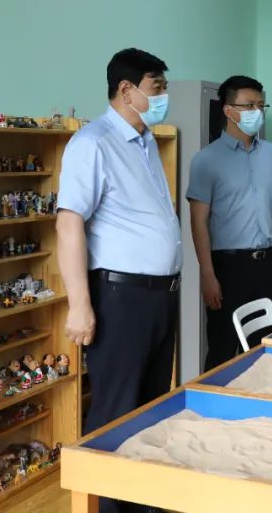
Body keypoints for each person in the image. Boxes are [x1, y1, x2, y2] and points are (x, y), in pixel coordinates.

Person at [57, 49, 181, 513]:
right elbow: (69, 223)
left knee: (150, 408)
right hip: (120, 296)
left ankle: (140, 501)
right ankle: (107, 506)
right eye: (157, 87)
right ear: (126, 90)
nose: (163, 96)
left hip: (160, 296)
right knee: (116, 409)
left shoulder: (146, 142)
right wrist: (79, 305)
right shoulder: (93, 142)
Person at [187, 75, 272, 371]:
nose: (257, 112)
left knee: (265, 346)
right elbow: (198, 222)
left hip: (266, 264)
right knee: (223, 347)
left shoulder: (271, 153)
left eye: (261, 105)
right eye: (249, 105)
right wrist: (207, 274)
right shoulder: (206, 160)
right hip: (227, 267)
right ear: (228, 110)